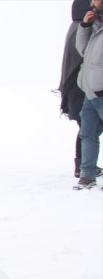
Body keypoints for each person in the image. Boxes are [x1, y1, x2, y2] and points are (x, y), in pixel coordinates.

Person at [59, 0, 103, 178]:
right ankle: (84, 170)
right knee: (87, 131)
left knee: (87, 131)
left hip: (87, 87)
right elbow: (83, 55)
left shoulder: (83, 27)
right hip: (84, 88)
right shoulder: (83, 27)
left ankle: (84, 169)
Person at [74, 0, 103, 190]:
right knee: (88, 134)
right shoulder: (96, 27)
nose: (92, 2)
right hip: (90, 92)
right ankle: (87, 176)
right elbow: (82, 50)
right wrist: (84, 26)